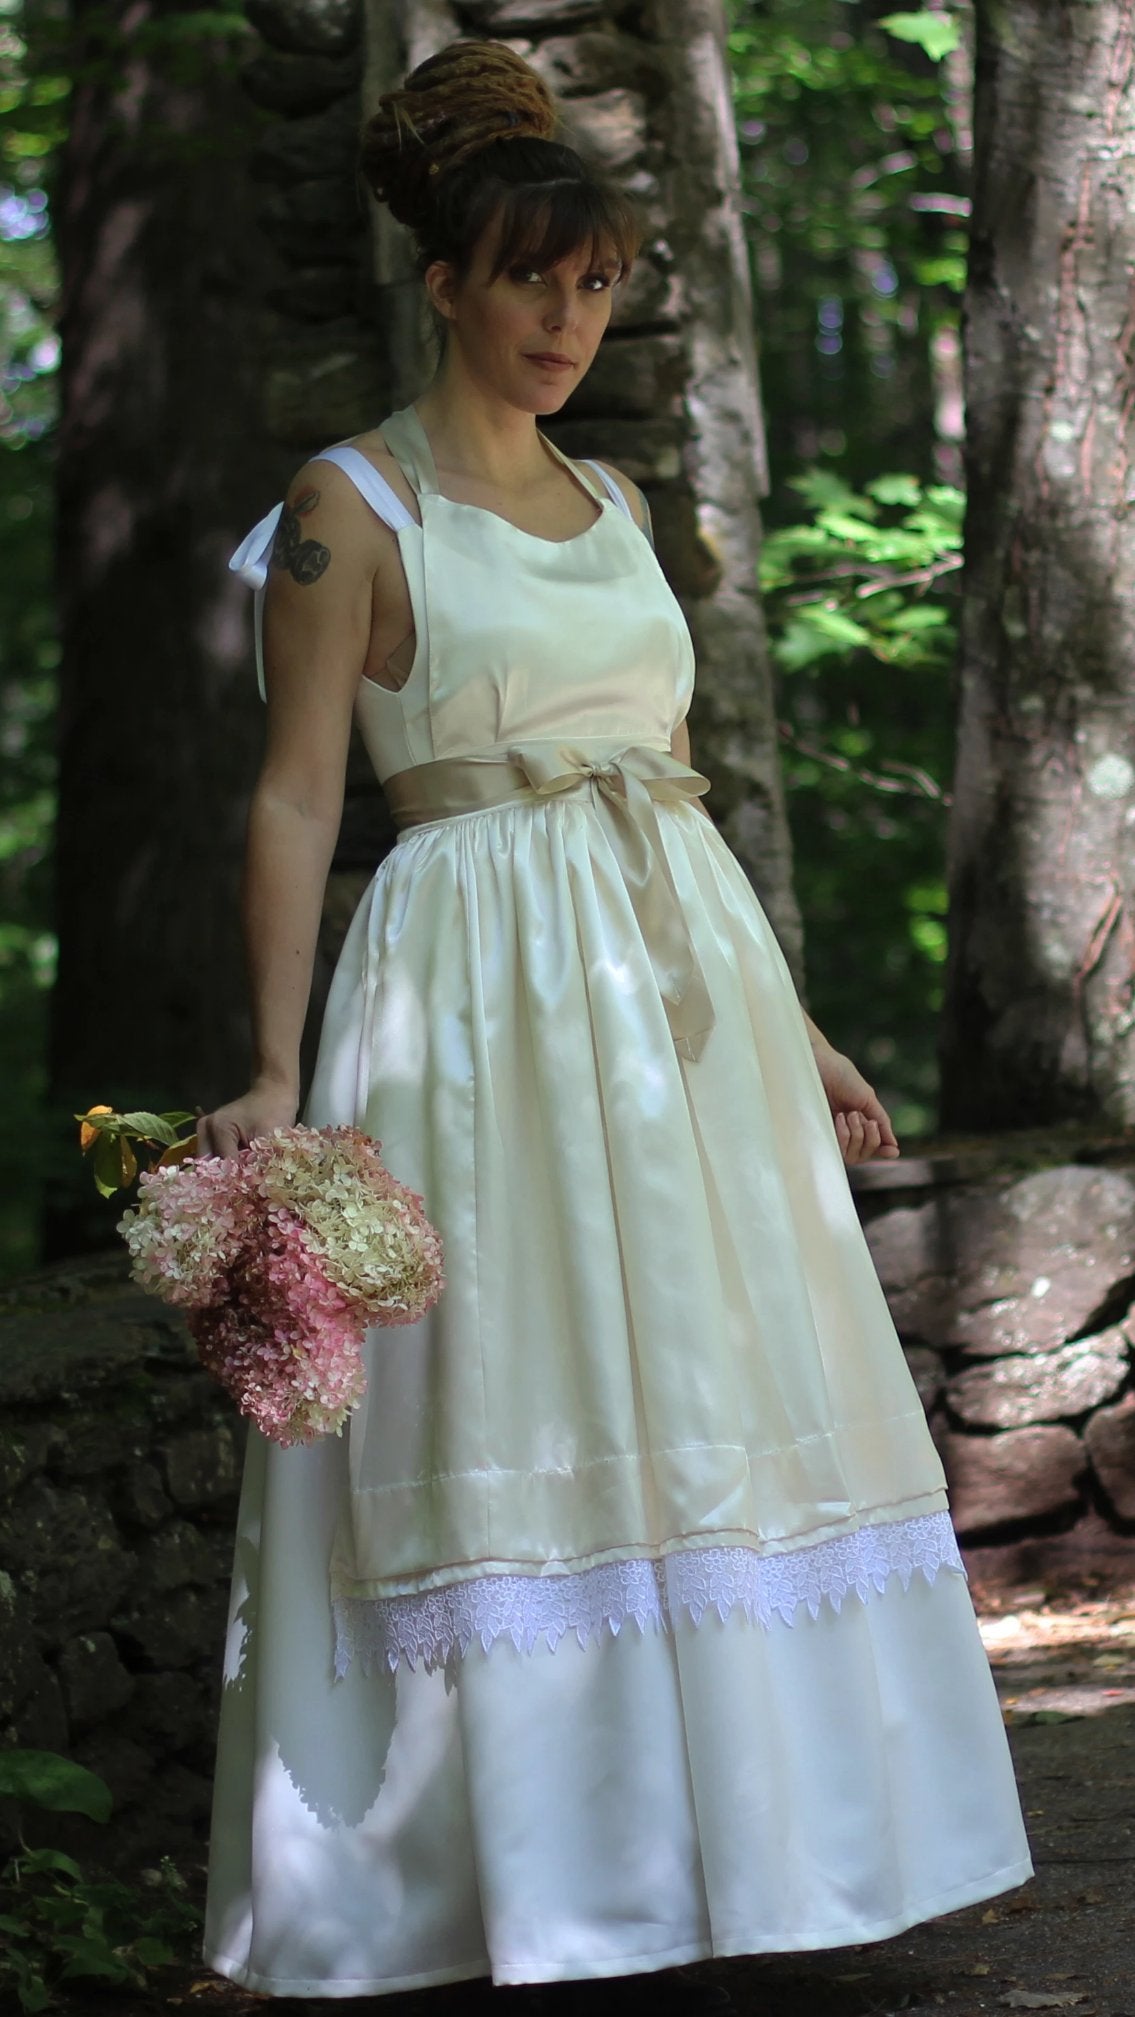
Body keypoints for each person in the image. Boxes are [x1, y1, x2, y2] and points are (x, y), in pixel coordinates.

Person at [199, 37, 1031, 2010]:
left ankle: (763, 1857)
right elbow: (299, 795)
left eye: (595, 284)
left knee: (710, 1389)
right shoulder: (347, 509)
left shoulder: (619, 489)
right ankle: (508, 1881)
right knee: (514, 1391)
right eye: (530, 281)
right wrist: (268, 1064)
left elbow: (674, 792)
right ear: (445, 286)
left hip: (678, 997)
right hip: (466, 991)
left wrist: (800, 1030)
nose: (569, 318)